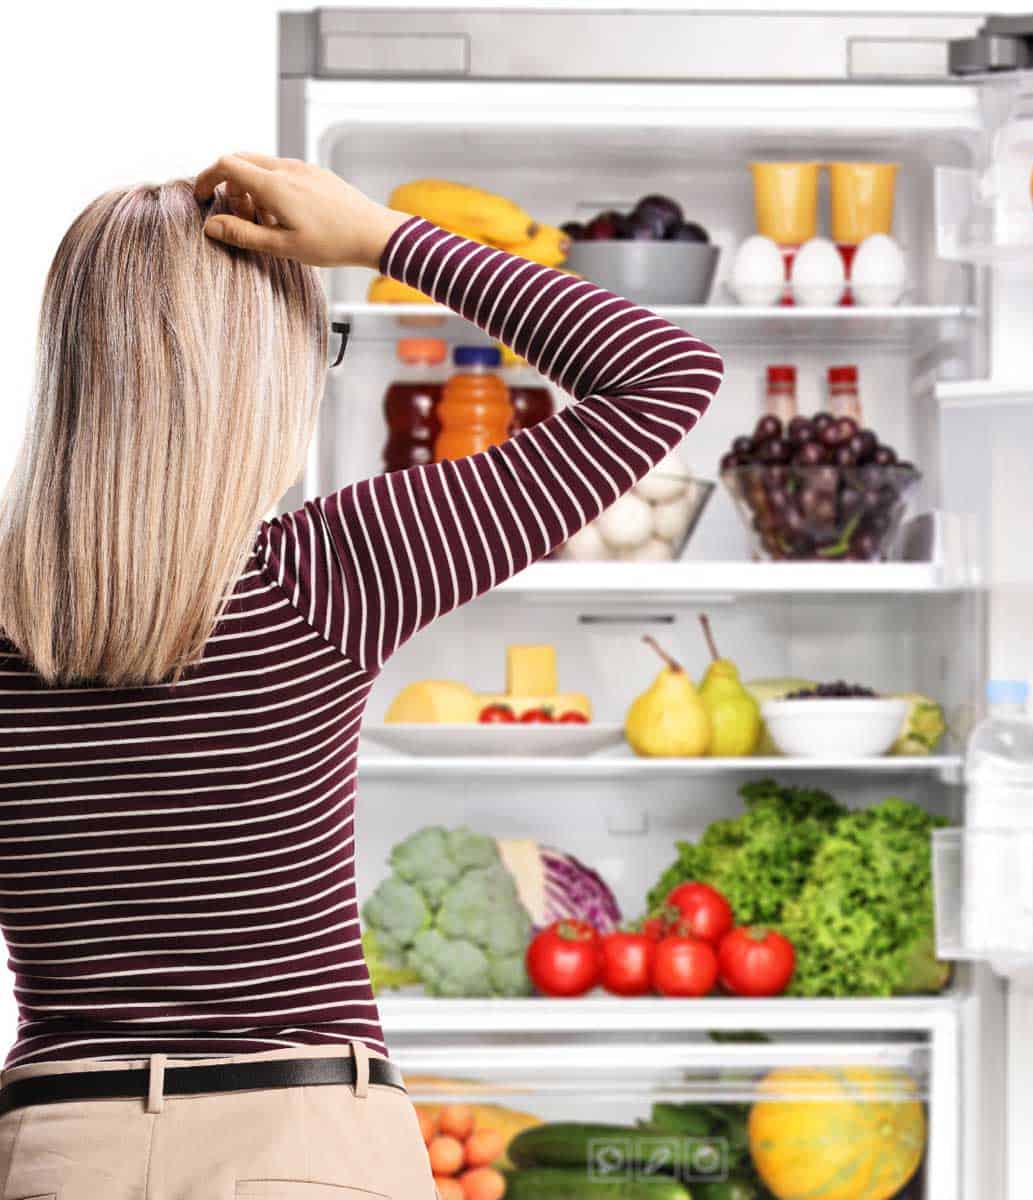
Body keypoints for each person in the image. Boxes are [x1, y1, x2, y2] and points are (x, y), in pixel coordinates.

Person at [0, 153, 723, 1194]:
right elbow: (665, 373)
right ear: (263, 367)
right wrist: (383, 237)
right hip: (304, 1145)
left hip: (59, 1149)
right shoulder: (328, 573)